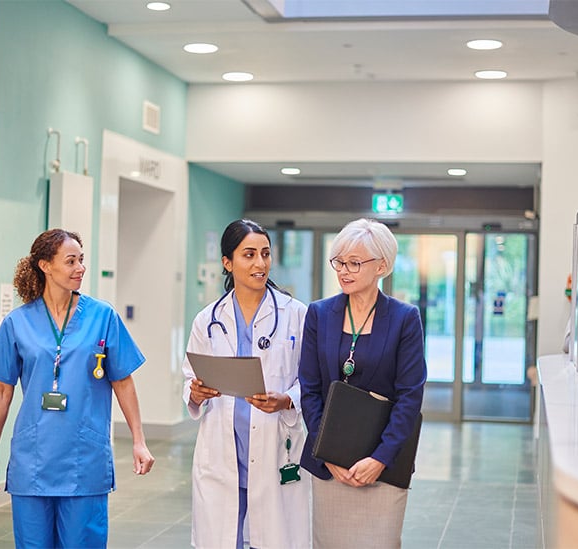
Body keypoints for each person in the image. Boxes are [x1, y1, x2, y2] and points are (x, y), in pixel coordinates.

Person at [0, 228, 154, 549]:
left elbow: (123, 381)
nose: (80, 269)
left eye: (81, 261)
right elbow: (2, 391)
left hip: (83, 458)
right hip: (32, 459)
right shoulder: (17, 322)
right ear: (45, 266)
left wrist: (139, 441)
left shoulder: (103, 317)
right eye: (70, 261)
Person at [182, 219, 311, 549]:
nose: (260, 263)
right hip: (222, 454)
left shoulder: (297, 314)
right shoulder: (208, 319)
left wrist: (286, 400)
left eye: (265, 254)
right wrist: (195, 392)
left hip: (274, 448)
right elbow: (189, 377)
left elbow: (312, 379)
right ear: (228, 262)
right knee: (222, 538)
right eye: (249, 254)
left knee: (273, 538)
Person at [299, 218, 427, 549]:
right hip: (330, 467)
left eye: (354, 263)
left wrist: (379, 459)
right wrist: (326, 454)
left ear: (381, 266)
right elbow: (309, 389)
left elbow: (410, 397)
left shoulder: (404, 319)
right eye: (339, 261)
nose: (344, 270)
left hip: (382, 466)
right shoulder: (319, 314)